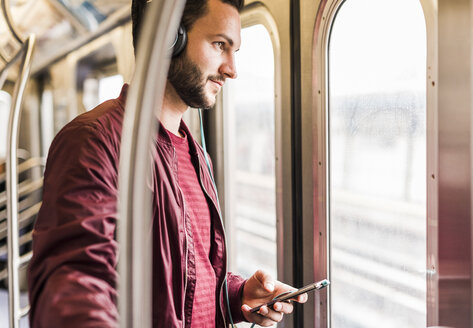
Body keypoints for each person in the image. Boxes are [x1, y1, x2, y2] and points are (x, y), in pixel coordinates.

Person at [27, 0, 307, 327]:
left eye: (235, 52)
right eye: (220, 45)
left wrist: (236, 294)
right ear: (169, 40)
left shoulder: (197, 156)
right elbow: (73, 283)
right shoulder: (95, 142)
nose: (232, 69)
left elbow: (185, 276)